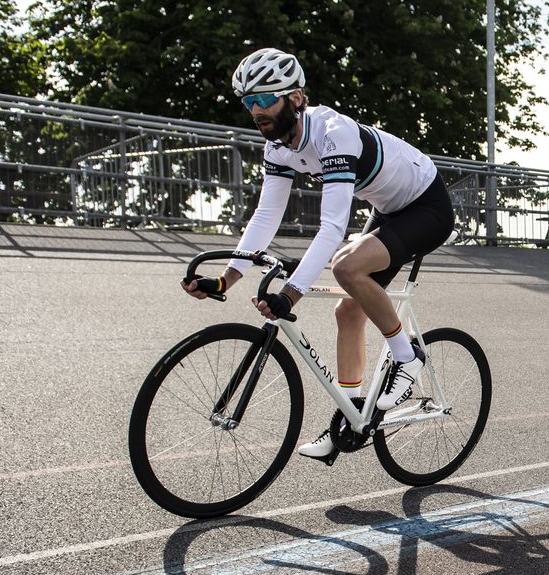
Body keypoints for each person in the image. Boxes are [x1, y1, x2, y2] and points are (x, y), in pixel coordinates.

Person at [181, 47, 456, 462]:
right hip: (389, 210)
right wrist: (226, 279)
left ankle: (407, 355)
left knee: (346, 266)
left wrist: (290, 295)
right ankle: (349, 419)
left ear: (295, 98)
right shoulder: (278, 146)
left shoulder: (333, 133)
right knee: (347, 312)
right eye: (248, 102)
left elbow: (332, 228)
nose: (255, 111)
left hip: (427, 207)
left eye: (263, 99)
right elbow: (266, 216)